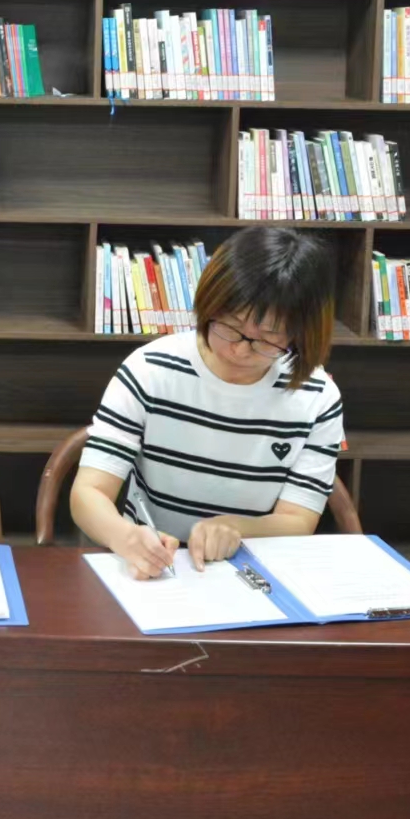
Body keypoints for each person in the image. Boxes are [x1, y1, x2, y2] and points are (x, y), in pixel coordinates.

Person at [70, 227, 344, 580]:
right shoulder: (150, 370)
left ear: (300, 335)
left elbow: (298, 520)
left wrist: (236, 528)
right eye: (230, 326)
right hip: (155, 569)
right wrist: (125, 537)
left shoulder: (317, 397)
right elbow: (89, 492)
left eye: (267, 339)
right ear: (209, 304)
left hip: (253, 570)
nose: (239, 349)